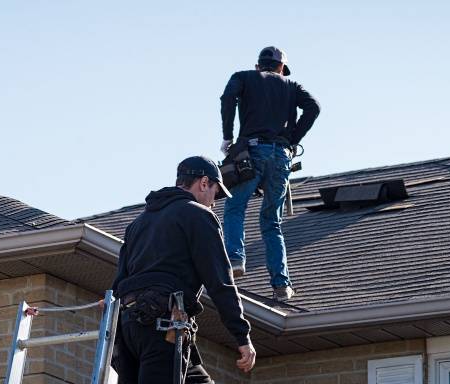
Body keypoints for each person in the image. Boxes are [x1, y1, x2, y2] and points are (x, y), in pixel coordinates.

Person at [111, 156, 256, 384]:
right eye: (216, 193)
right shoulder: (198, 215)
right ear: (204, 182)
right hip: (162, 326)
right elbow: (220, 283)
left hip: (128, 328)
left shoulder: (138, 224)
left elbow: (118, 283)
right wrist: (242, 335)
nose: (214, 202)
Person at [220, 46, 321, 301]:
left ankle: (235, 260)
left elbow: (227, 98)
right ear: (280, 68)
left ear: (258, 66)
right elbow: (314, 107)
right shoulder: (291, 86)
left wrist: (228, 136)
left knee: (235, 207)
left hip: (253, 152)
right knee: (271, 222)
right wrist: (292, 138)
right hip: (281, 157)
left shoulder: (243, 77)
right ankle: (282, 285)